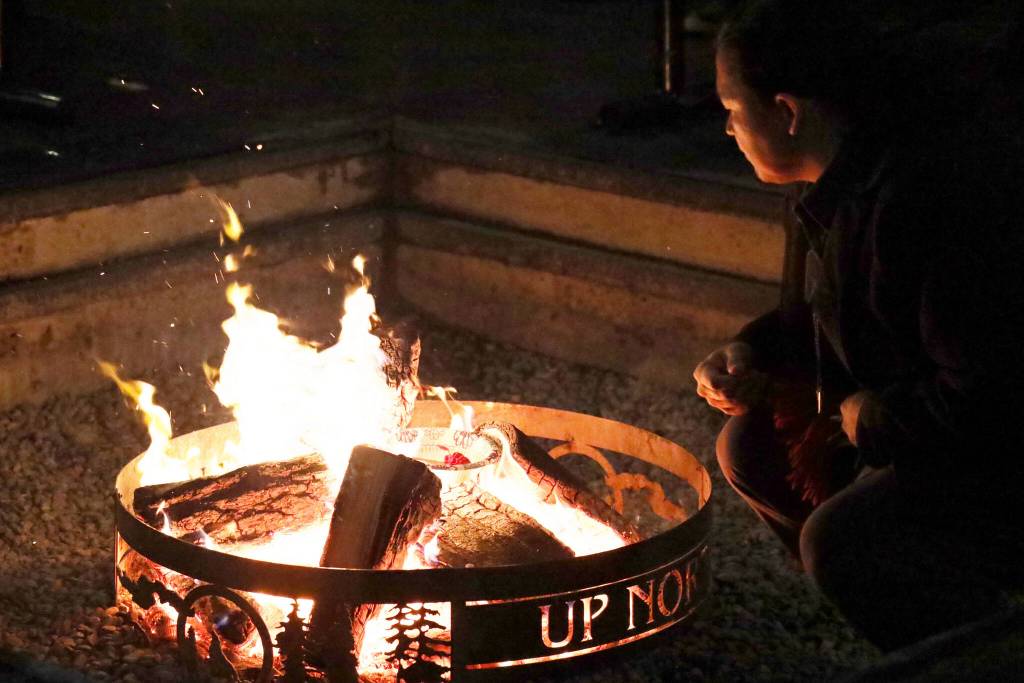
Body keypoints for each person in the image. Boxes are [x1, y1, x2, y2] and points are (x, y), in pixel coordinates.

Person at [693, 0, 1024, 652]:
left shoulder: (922, 200)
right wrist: (750, 350)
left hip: (992, 455)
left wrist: (875, 417)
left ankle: (973, 651)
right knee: (748, 447)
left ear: (787, 112)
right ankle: (914, 609)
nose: (727, 129)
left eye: (732, 109)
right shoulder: (828, 183)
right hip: (922, 423)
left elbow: (993, 390)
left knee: (842, 539)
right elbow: (832, 314)